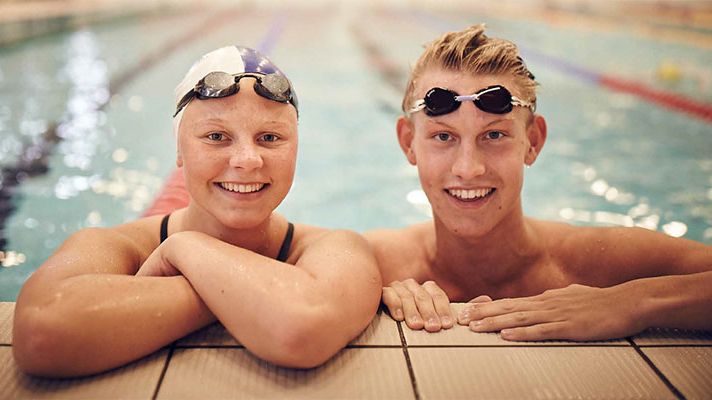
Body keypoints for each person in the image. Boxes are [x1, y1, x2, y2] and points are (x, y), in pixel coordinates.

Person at [13, 46, 381, 377]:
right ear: (178, 150)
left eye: (270, 138)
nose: (247, 161)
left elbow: (301, 333)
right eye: (216, 136)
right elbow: (41, 335)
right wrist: (246, 297)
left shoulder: (338, 247)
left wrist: (185, 248)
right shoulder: (115, 246)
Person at [365, 24, 712, 341]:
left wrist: (631, 301)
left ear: (533, 141)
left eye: (495, 134)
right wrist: (366, 293)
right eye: (443, 137)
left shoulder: (594, 262)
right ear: (408, 142)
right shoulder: (375, 264)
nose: (468, 168)